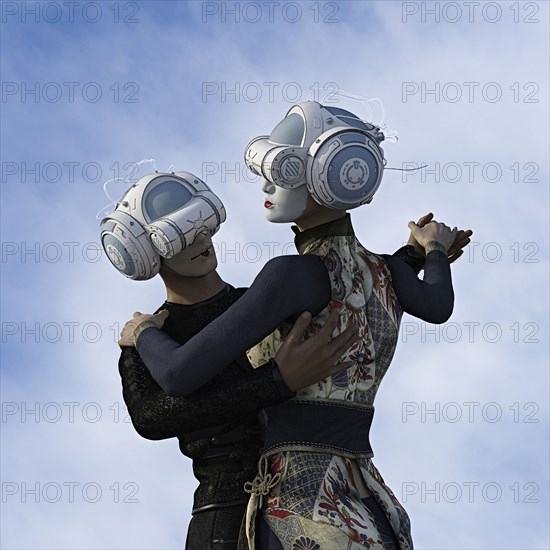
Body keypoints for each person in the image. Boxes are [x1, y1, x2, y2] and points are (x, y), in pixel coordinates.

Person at [117, 103, 472, 548]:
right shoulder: (386, 272)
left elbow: (177, 373)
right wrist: (431, 252)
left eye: (283, 172)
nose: (266, 186)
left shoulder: (287, 278)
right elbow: (435, 305)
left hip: (300, 501)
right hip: (367, 496)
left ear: (332, 173)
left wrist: (141, 334)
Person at [102, 171, 360, 549]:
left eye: (201, 225)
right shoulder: (146, 340)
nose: (200, 239)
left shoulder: (258, 303)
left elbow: (351, 294)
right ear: (143, 252)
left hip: (312, 488)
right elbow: (152, 418)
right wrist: (274, 382)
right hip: (224, 513)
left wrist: (413, 257)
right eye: (180, 236)